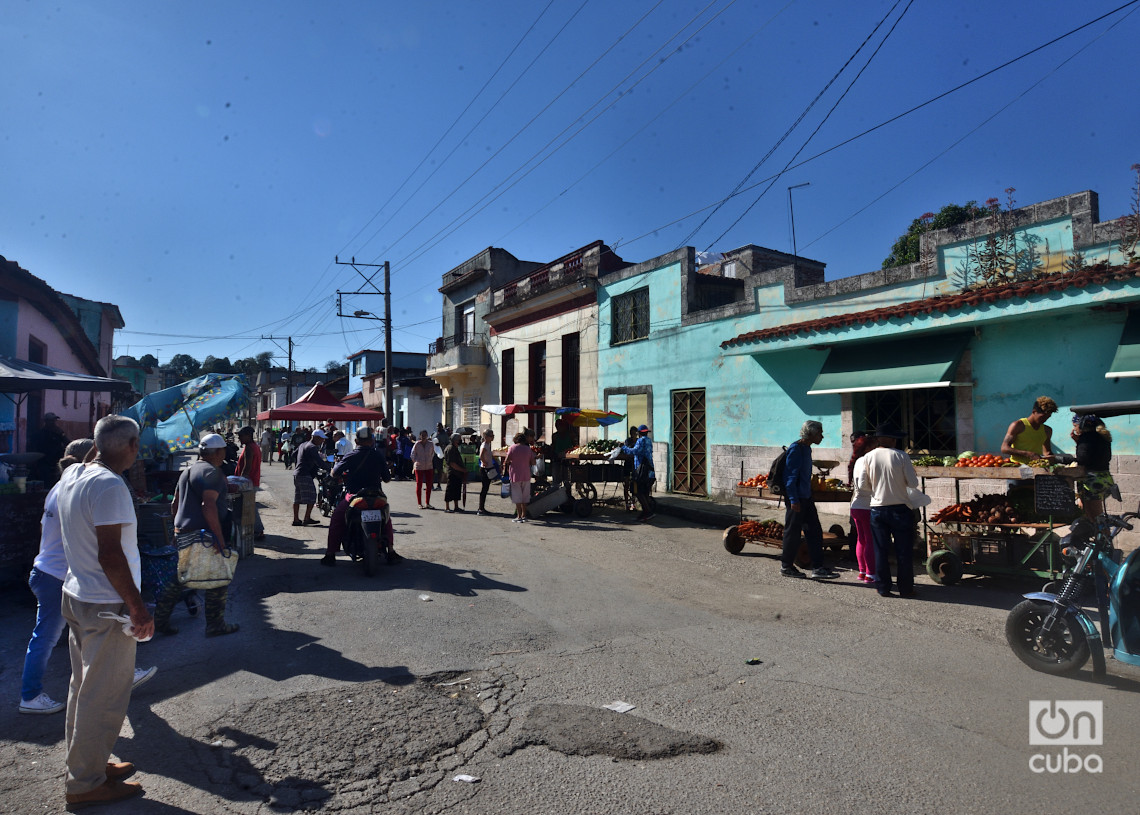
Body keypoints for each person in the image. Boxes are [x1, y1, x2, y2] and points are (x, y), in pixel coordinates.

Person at [57, 415, 153, 808]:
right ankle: (85, 784)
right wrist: (138, 607)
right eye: (136, 443)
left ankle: (87, 765)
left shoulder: (74, 474)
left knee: (83, 688)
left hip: (77, 594)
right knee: (104, 695)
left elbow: (97, 450)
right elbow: (111, 555)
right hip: (105, 603)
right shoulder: (111, 486)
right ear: (131, 446)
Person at [19, 440, 156, 716]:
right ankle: (30, 695)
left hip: (51, 570)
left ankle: (120, 675)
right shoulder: (79, 487)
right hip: (58, 574)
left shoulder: (64, 486)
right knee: (49, 636)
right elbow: (100, 546)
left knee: (82, 637)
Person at [153, 433, 240, 636]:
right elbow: (208, 506)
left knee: (178, 580)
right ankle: (215, 624)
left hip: (184, 532)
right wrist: (219, 539)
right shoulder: (212, 473)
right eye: (223, 451)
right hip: (204, 536)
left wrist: (176, 531)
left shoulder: (188, 471)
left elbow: (175, 503)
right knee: (218, 579)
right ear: (218, 452)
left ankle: (160, 620)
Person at [859, 423, 921, 598]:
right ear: (892, 439)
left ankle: (883, 587)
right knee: (903, 551)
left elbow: (863, 486)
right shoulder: (901, 456)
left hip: (877, 509)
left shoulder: (868, 457)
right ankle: (906, 588)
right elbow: (913, 483)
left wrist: (878, 489)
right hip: (900, 509)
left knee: (880, 550)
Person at [321, 426, 395, 566]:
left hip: (354, 497)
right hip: (377, 497)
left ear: (356, 440)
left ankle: (330, 554)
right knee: (387, 520)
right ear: (372, 441)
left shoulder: (351, 455)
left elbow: (334, 473)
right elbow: (387, 478)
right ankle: (391, 551)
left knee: (337, 519)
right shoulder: (378, 455)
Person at [780, 420, 840, 580]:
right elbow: (790, 477)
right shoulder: (796, 449)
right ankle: (786, 566)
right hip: (797, 499)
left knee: (815, 532)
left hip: (806, 498)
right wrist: (793, 500)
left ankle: (818, 568)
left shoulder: (807, 448)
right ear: (811, 434)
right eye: (819, 433)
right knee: (792, 533)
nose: (822, 436)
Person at [848, 432, 877, 585]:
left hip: (856, 506)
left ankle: (862, 571)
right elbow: (865, 485)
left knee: (862, 539)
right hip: (867, 506)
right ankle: (871, 574)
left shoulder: (857, 461)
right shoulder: (868, 461)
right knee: (870, 540)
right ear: (869, 447)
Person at [1072, 413, 1114, 519]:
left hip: (1092, 482)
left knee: (1094, 515)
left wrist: (1063, 459)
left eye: (1075, 425)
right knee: (1096, 515)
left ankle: (1104, 535)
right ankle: (1102, 535)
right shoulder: (1102, 437)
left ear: (1081, 425)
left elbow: (1083, 458)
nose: (1074, 429)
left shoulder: (1086, 438)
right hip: (1104, 478)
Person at [1000, 396, 1058, 464]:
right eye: (1042, 417)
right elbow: (1004, 448)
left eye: (1048, 417)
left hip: (1037, 467)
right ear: (1034, 412)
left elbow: (1047, 452)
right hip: (1017, 467)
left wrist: (1051, 458)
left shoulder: (1047, 430)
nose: (1045, 420)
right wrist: (1028, 454)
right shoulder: (1018, 425)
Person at [619, 425, 657, 522]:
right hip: (649, 470)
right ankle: (645, 512)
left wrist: (623, 447)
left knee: (638, 491)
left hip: (642, 471)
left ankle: (648, 512)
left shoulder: (641, 441)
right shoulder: (649, 441)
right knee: (644, 492)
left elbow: (634, 451)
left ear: (639, 433)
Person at [293, 428, 331, 526]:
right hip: (305, 474)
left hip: (297, 473)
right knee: (312, 496)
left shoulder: (303, 444)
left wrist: (299, 463)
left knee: (297, 497)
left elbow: (294, 454)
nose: (323, 441)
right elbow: (318, 461)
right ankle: (307, 518)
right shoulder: (312, 447)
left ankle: (296, 519)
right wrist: (330, 469)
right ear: (316, 438)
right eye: (321, 439)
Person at [234, 425, 265, 541]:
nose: (240, 439)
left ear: (248, 436)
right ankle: (254, 529)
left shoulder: (249, 448)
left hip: (248, 482)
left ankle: (258, 530)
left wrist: (240, 482)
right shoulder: (254, 446)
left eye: (241, 436)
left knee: (250, 506)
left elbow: (247, 467)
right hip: (252, 481)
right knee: (248, 506)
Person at [30, 412, 69, 486]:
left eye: (54, 421)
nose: (53, 423)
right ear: (46, 422)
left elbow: (67, 442)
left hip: (56, 460)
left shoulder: (58, 432)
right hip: (44, 461)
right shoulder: (39, 434)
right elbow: (34, 447)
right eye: (51, 421)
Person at [505, 432, 536, 522]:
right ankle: (524, 515)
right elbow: (533, 462)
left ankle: (518, 516)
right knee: (525, 496)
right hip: (526, 475)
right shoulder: (528, 449)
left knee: (517, 496)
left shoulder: (512, 448)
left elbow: (507, 460)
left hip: (515, 475)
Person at [443, 433, 467, 512]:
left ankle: (456, 506)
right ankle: (447, 507)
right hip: (453, 472)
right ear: (455, 440)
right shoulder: (450, 449)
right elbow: (452, 464)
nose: (461, 440)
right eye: (459, 439)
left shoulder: (455, 448)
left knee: (456, 490)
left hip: (458, 473)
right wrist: (462, 470)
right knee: (450, 490)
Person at [412, 430, 435, 509]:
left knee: (429, 485)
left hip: (429, 466)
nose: (424, 437)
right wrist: (417, 462)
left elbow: (432, 453)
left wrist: (429, 461)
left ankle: (427, 503)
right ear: (420, 436)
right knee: (419, 484)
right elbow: (412, 455)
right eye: (422, 435)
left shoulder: (431, 444)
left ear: (427, 435)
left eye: (425, 435)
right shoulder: (417, 444)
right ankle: (419, 503)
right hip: (419, 467)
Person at [477, 429, 498, 515]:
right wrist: (484, 462)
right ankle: (481, 508)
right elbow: (481, 455)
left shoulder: (488, 445)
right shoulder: (485, 445)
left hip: (488, 467)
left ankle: (482, 507)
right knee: (484, 488)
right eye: (491, 436)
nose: (493, 437)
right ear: (486, 437)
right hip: (485, 469)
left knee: (486, 488)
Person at [432, 423, 448, 491]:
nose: (438, 427)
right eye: (437, 426)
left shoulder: (445, 435)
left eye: (439, 426)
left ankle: (439, 485)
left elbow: (448, 443)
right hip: (433, 454)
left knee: (439, 470)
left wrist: (441, 444)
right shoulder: (435, 433)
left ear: (442, 427)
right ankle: (431, 485)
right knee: (432, 470)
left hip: (440, 454)